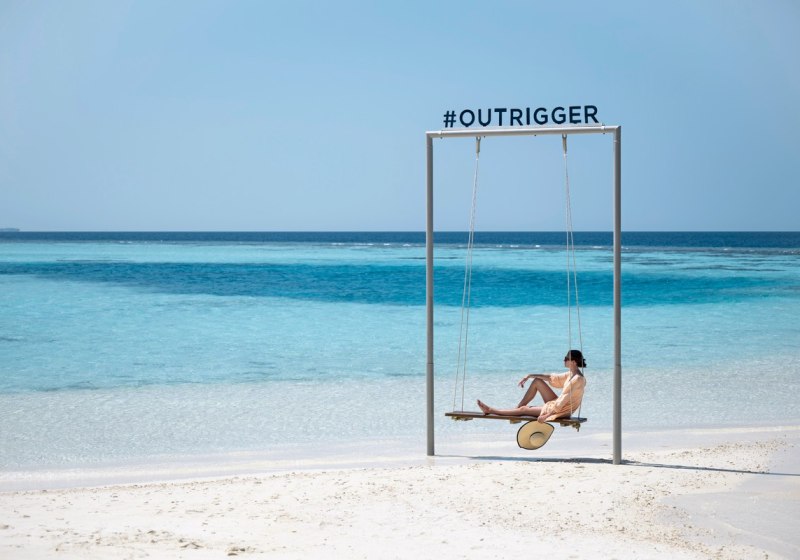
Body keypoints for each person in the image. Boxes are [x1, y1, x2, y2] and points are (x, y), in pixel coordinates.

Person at [477, 350, 586, 423]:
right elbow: (553, 378)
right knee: (537, 381)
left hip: (561, 411)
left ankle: (491, 410)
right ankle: (516, 411)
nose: (564, 360)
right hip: (558, 405)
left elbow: (562, 400)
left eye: (566, 358)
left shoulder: (577, 379)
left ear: (574, 362)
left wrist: (546, 416)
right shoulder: (571, 374)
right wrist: (530, 376)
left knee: (524, 409)